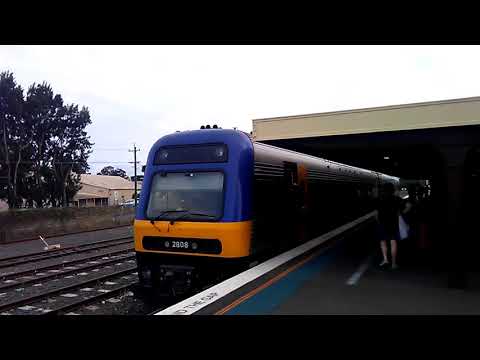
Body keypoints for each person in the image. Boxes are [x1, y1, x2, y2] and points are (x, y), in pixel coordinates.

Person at [376, 183, 403, 270]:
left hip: (382, 223)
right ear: (393, 190)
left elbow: (376, 212)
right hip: (393, 223)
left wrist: (378, 220)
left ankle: (385, 259)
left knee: (383, 241)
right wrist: (400, 214)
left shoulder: (379, 199)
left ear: (383, 190)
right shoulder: (397, 199)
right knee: (393, 242)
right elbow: (408, 206)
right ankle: (394, 263)